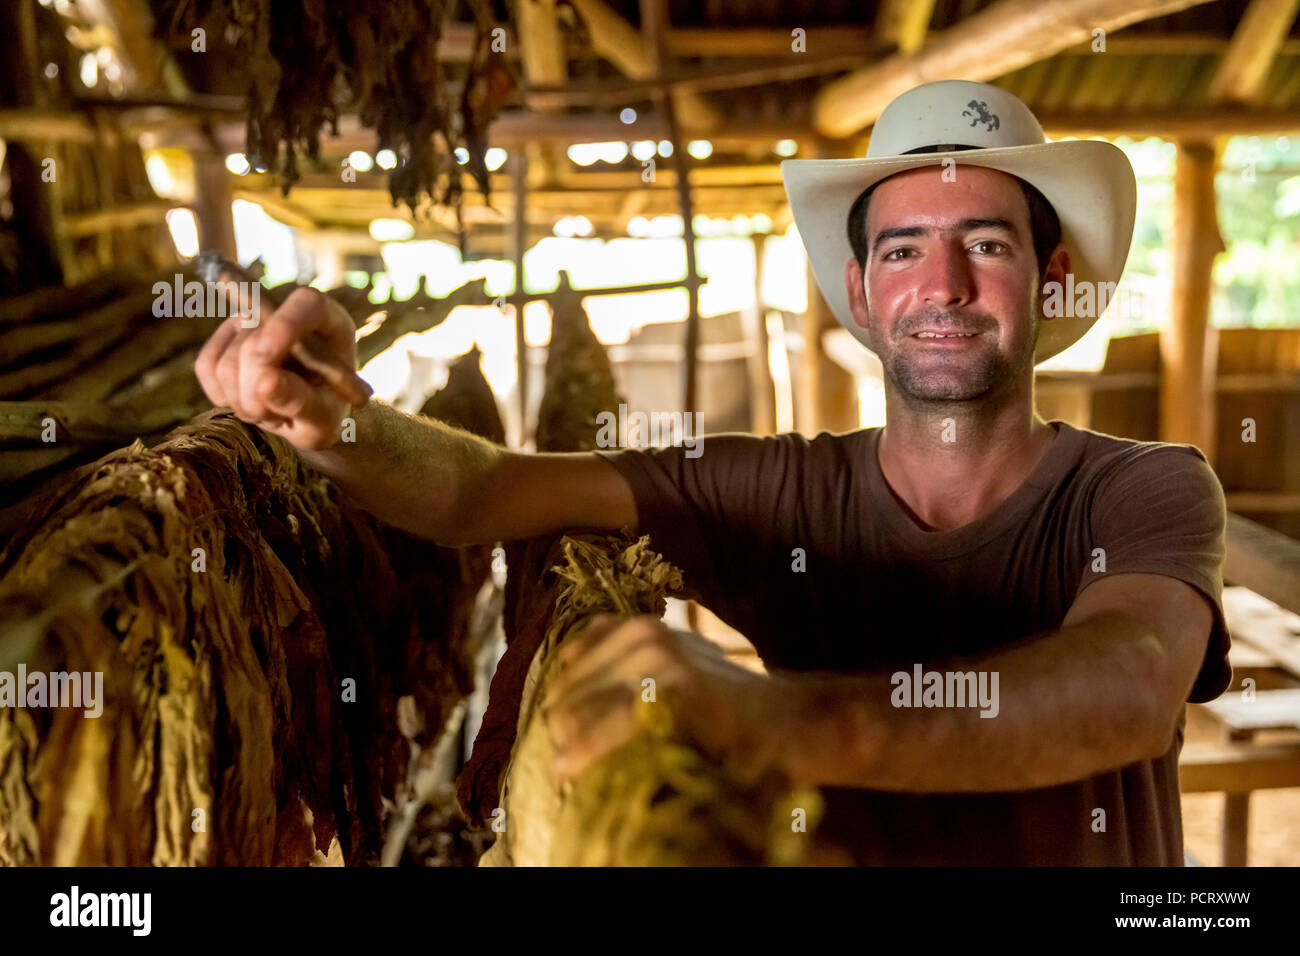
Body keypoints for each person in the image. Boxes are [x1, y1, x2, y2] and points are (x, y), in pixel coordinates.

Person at [195, 80, 1230, 865]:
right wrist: (330, 419)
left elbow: (1132, 680)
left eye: (986, 244)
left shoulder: (1142, 489)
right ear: (860, 297)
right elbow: (484, 490)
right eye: (904, 250)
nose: (943, 285)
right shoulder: (774, 496)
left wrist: (777, 718)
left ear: (1050, 283)